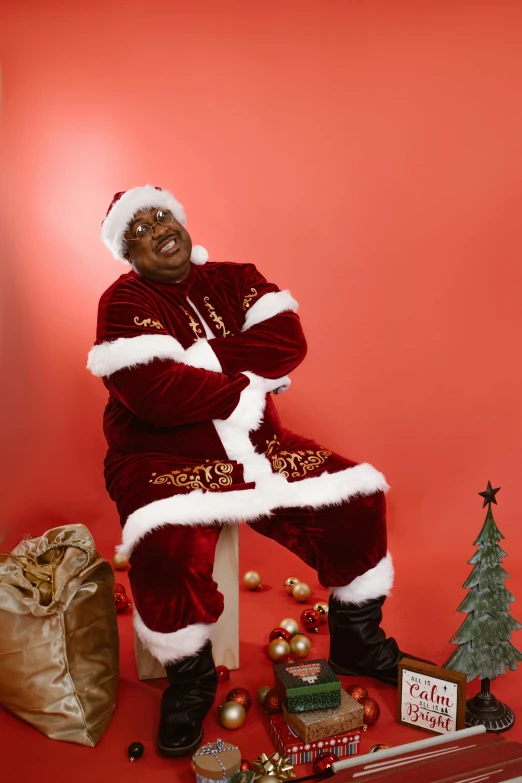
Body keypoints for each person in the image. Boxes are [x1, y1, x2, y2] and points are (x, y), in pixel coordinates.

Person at [88, 185, 423, 758]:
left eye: (162, 214)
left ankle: (357, 641)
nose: (158, 226)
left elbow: (287, 341)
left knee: (358, 496)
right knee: (167, 545)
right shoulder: (121, 304)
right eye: (140, 227)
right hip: (160, 459)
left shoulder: (236, 276)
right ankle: (190, 682)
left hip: (259, 444)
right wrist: (245, 377)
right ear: (128, 250)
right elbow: (156, 394)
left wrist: (205, 358)